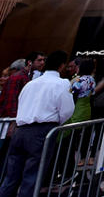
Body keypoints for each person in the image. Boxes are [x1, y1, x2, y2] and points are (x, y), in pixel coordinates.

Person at [0, 50, 74, 197]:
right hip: (42, 130)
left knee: (11, 175)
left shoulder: (31, 84)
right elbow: (67, 110)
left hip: (21, 129)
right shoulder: (62, 83)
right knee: (32, 176)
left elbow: (21, 103)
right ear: (61, 66)